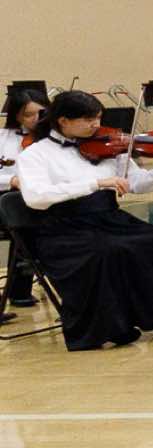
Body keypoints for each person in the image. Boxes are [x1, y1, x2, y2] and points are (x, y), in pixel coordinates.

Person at [12, 90, 153, 350]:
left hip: (109, 218)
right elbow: (36, 197)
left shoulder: (109, 146)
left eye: (98, 118)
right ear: (63, 121)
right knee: (107, 252)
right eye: (89, 120)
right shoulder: (35, 154)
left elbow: (140, 184)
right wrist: (95, 183)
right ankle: (115, 328)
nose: (96, 125)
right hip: (61, 227)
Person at [2, 85, 50, 307]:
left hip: (44, 201)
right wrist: (11, 180)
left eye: (40, 113)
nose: (35, 119)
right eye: (27, 115)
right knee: (24, 222)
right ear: (16, 116)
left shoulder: (53, 139)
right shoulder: (3, 138)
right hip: (7, 201)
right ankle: (19, 290)